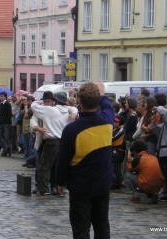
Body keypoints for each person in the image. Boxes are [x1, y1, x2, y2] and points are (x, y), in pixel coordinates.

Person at [56, 81, 113, 239]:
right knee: (102, 227)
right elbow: (108, 107)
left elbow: (63, 160)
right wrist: (101, 94)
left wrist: (60, 182)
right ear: (98, 101)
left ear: (78, 101)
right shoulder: (107, 123)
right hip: (102, 184)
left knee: (81, 229)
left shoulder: (71, 129)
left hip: (80, 186)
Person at [31, 91, 78, 196]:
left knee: (45, 165)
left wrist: (39, 102)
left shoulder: (49, 110)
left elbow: (33, 106)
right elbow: (74, 108)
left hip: (51, 141)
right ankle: (58, 188)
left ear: (55, 101)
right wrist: (74, 112)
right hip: (64, 141)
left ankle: (43, 188)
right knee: (59, 166)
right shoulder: (68, 111)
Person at [126, 139, 164, 203]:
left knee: (128, 175)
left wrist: (129, 158)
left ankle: (136, 196)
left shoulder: (138, 158)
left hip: (147, 185)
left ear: (134, 150)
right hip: (158, 186)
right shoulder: (153, 157)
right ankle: (152, 194)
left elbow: (130, 168)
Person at [0, 91, 12, 157]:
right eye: (0, 96)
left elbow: (9, 114)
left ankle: (5, 151)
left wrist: (7, 122)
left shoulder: (7, 104)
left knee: (6, 138)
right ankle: (6, 147)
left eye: (2, 96)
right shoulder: (0, 105)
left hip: (6, 123)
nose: (1, 97)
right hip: (0, 122)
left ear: (5, 97)